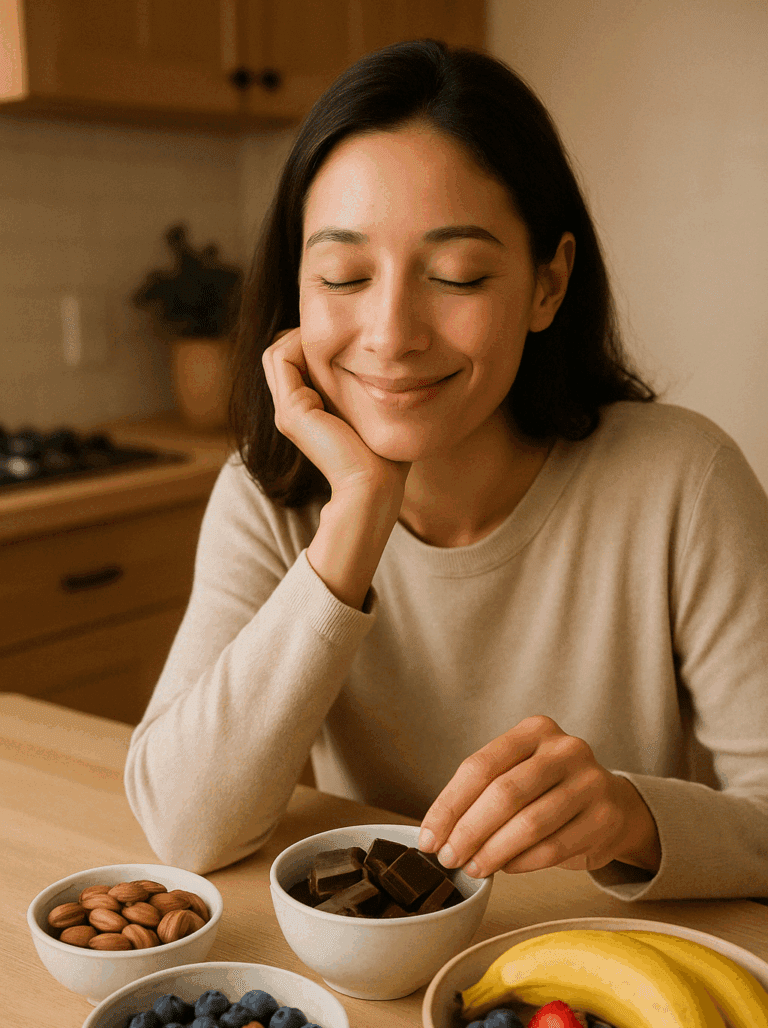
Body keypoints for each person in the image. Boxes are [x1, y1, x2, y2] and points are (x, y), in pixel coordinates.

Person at [125, 39, 768, 901]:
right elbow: (182, 824)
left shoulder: (684, 483)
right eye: (343, 275)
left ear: (548, 284)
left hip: (599, 976)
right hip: (357, 996)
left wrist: (630, 818)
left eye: (456, 275)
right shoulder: (265, 493)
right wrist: (356, 514)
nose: (392, 333)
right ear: (298, 290)